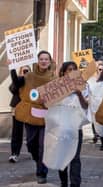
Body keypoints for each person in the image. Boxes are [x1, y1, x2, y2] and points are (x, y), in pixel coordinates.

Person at [10, 50, 56, 184]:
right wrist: (12, 68)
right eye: (41, 59)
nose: (43, 61)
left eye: (46, 59)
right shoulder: (29, 76)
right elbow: (16, 85)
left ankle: (42, 172)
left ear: (49, 61)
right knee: (31, 144)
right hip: (30, 115)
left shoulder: (54, 78)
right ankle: (38, 160)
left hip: (46, 117)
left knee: (43, 145)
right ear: (38, 60)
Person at [8, 65, 31, 163]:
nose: (25, 72)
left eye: (27, 71)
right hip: (17, 109)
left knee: (31, 132)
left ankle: (32, 150)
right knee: (17, 132)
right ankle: (14, 153)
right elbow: (14, 87)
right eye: (23, 70)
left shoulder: (33, 82)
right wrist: (12, 69)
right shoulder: (15, 83)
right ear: (20, 72)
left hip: (30, 110)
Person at [88, 61, 103, 150]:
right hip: (94, 106)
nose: (101, 71)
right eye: (100, 69)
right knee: (97, 124)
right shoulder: (91, 81)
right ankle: (102, 142)